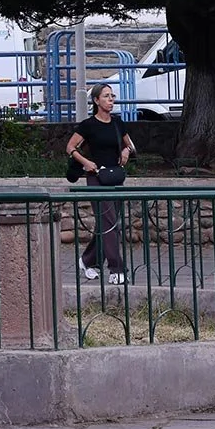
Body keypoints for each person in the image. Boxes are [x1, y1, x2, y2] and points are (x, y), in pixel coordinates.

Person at [65, 83, 136, 284]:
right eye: (106, 96)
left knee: (108, 224)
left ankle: (88, 261)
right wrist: (86, 163)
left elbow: (129, 144)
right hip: (96, 178)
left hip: (114, 177)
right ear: (96, 101)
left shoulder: (117, 123)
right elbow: (70, 147)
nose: (111, 99)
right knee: (110, 223)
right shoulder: (88, 125)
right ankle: (117, 268)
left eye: (112, 96)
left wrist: (126, 151)